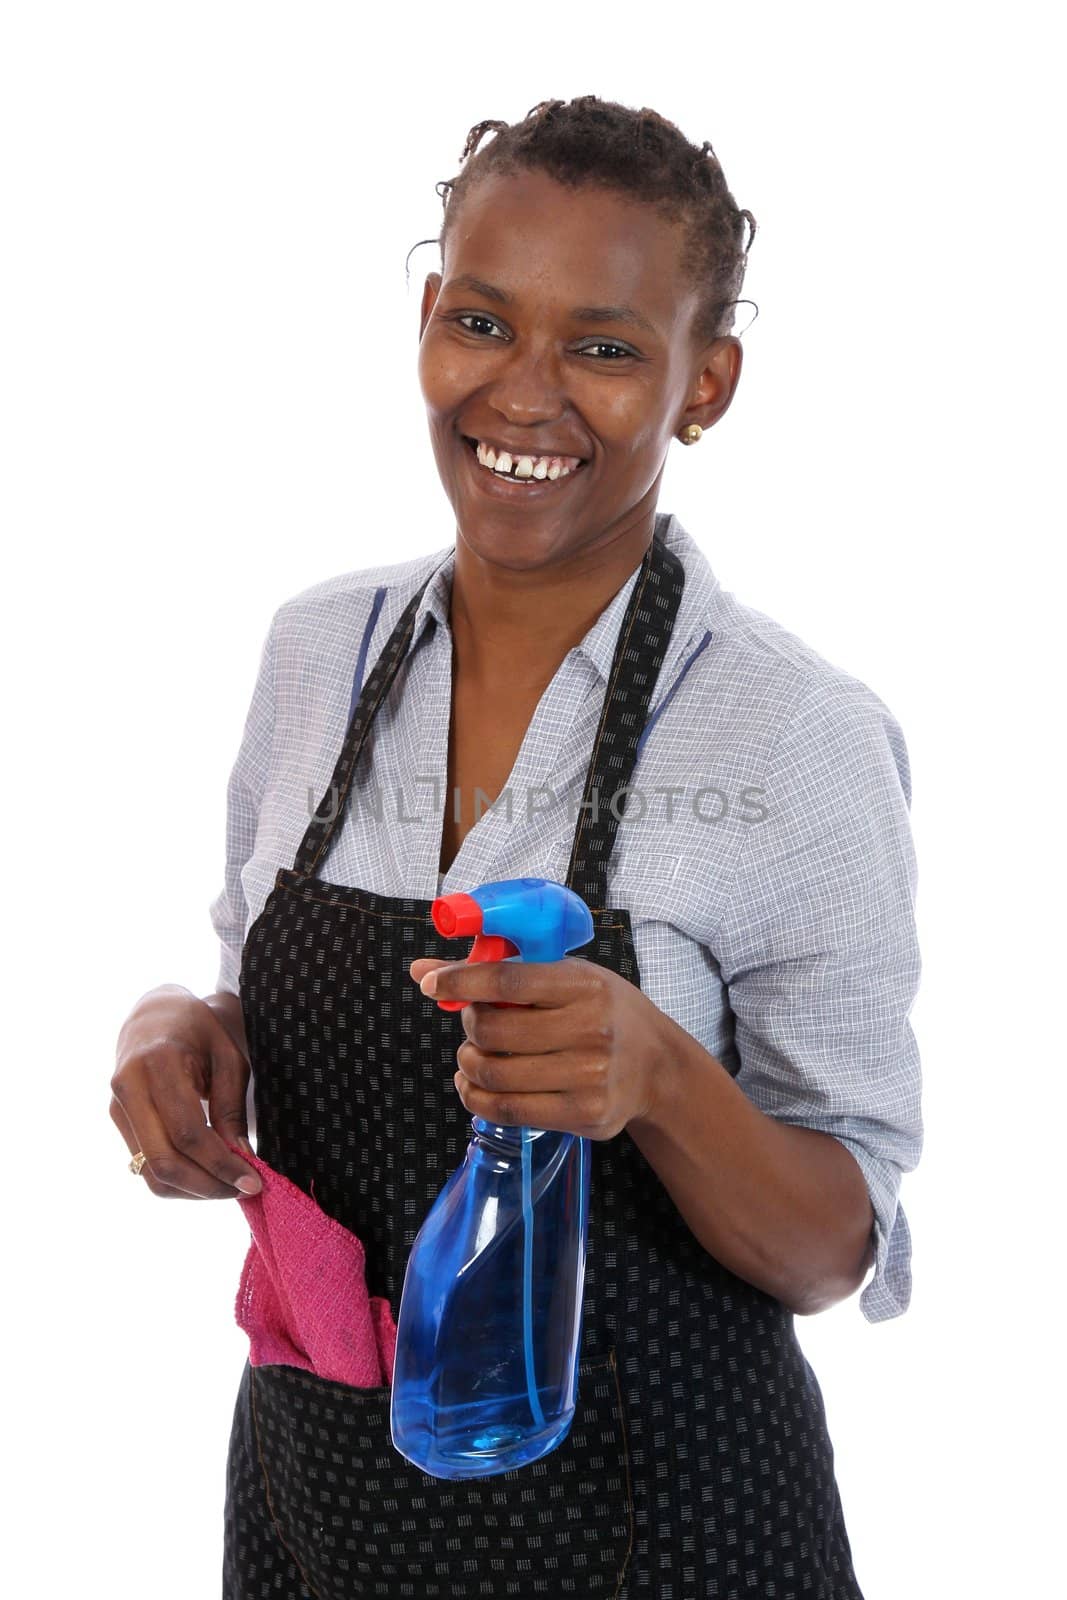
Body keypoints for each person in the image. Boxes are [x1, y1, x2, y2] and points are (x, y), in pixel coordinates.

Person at [111, 95, 922, 1599]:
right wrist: (186, 1026)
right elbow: (259, 983)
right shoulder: (315, 654)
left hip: (666, 1534)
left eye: (606, 348)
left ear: (706, 384)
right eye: (483, 322)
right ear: (428, 318)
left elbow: (836, 1244)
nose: (525, 394)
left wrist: (663, 1077)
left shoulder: (791, 733)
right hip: (320, 1516)